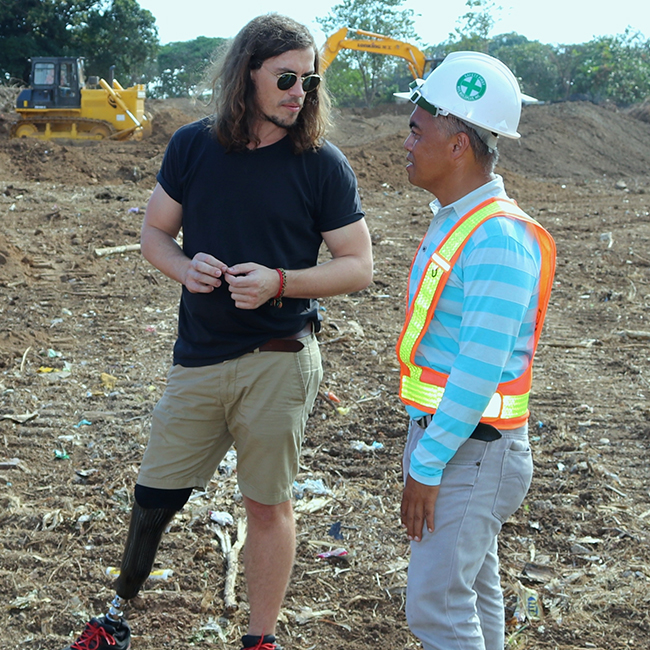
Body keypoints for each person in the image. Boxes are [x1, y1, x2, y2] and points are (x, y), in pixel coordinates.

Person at [62, 13, 372, 650]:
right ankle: (116, 612)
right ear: (246, 75)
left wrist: (281, 281)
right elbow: (153, 233)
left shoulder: (321, 164)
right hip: (198, 356)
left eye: (309, 81)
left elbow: (359, 266)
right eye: (286, 78)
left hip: (279, 356)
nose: (299, 92)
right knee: (153, 494)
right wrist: (184, 266)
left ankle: (260, 638)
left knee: (266, 504)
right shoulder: (193, 146)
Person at [394, 52, 556, 650]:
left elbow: (478, 371)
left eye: (417, 129)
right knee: (474, 596)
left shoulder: (497, 239)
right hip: (460, 443)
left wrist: (427, 465)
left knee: (436, 610)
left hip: (472, 451)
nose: (406, 141)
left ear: (458, 143)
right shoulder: (459, 220)